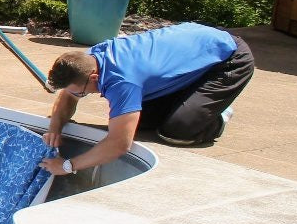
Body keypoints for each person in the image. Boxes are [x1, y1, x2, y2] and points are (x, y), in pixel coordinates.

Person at [38, 22, 254, 176]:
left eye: (81, 92)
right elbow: (67, 95)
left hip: (228, 58)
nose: (78, 95)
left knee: (177, 130)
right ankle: (190, 99)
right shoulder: (88, 59)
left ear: (94, 77)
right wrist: (56, 126)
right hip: (193, 48)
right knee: (142, 122)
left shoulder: (123, 81)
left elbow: (119, 144)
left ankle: (217, 114)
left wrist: (67, 165)